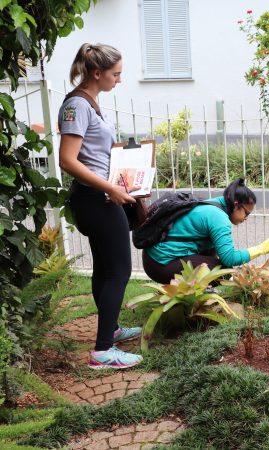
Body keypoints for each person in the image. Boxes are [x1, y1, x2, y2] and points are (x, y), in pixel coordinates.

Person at [59, 43, 143, 370]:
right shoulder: (78, 105)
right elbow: (67, 160)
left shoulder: (90, 102)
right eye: (116, 74)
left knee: (105, 268)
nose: (119, 80)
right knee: (119, 271)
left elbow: (94, 152)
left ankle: (111, 329)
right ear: (97, 73)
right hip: (98, 198)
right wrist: (111, 188)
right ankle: (102, 352)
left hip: (101, 195)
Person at [142, 178, 269, 284]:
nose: (246, 218)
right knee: (224, 271)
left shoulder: (214, 204)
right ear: (236, 204)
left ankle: (199, 293)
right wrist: (262, 248)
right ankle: (191, 302)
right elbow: (229, 258)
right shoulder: (219, 218)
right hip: (160, 264)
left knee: (215, 259)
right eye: (246, 213)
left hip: (152, 258)